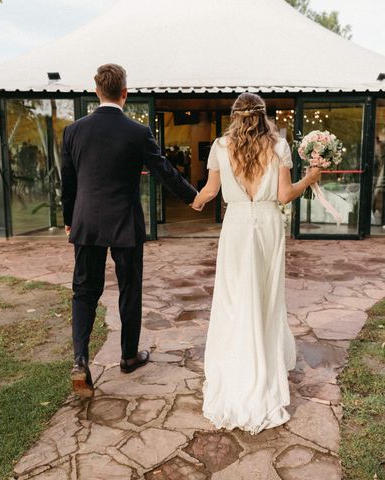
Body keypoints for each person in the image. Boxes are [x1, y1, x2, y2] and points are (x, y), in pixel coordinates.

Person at [61, 64, 198, 397]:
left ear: (97, 91)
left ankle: (80, 359)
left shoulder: (73, 131)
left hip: (87, 223)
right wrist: (193, 197)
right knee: (129, 289)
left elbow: (69, 183)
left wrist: (69, 219)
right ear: (125, 92)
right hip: (125, 223)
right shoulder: (138, 132)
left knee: (84, 291)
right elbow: (164, 171)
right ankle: (127, 356)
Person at [191, 93, 321, 434]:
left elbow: (209, 191)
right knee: (264, 297)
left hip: (235, 226)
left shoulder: (220, 146)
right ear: (264, 116)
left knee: (234, 297)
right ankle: (261, 364)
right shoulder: (279, 146)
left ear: (235, 116)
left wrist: (194, 201)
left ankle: (236, 365)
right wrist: (310, 179)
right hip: (266, 225)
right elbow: (283, 196)